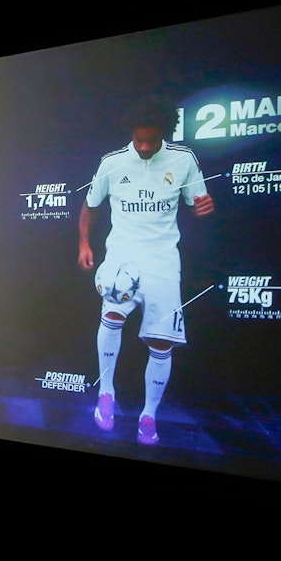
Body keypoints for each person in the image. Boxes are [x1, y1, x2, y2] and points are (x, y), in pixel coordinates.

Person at [77, 94, 215, 445]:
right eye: (138, 139)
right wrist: (84, 243)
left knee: (161, 341)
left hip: (163, 260)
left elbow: (198, 202)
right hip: (123, 254)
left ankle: (149, 415)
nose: (144, 146)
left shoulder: (183, 160)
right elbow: (90, 206)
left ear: (164, 134)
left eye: (151, 140)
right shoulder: (112, 162)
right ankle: (105, 394)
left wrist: (203, 208)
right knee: (112, 315)